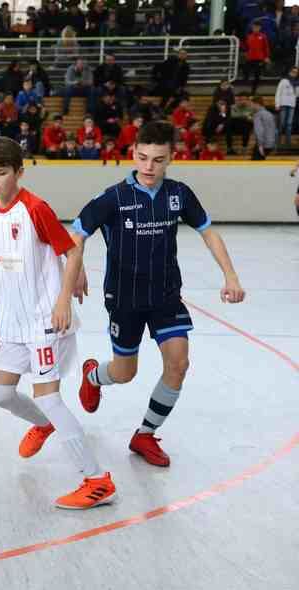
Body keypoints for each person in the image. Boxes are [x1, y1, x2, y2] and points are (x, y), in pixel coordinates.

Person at [72, 121, 246, 467]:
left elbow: (208, 232)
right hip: (125, 298)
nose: (149, 167)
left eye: (158, 159)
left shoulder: (179, 194)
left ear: (171, 158)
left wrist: (231, 276)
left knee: (178, 363)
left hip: (166, 295)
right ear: (133, 153)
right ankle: (93, 375)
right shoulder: (113, 198)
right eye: (142, 157)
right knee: (125, 373)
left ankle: (145, 434)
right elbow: (76, 235)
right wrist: (76, 271)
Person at [0, 137, 116, 510]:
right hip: (11, 320)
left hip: (44, 321)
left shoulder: (35, 208)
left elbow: (71, 250)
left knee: (49, 397)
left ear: (18, 173)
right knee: (1, 394)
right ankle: (45, 423)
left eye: (1, 173)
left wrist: (62, 300)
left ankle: (97, 480)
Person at [243, 21, 272, 96]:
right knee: (245, 70)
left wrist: (267, 57)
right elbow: (246, 47)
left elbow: (266, 47)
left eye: (257, 27)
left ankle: (253, 91)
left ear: (260, 28)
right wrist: (246, 53)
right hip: (250, 58)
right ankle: (246, 83)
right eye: (254, 27)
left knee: (257, 75)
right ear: (252, 28)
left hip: (259, 58)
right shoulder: (249, 36)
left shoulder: (263, 36)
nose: (255, 28)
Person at [275, 67, 297, 146]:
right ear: (289, 72)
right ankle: (278, 142)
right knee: (281, 124)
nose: (294, 74)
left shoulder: (296, 83)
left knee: (289, 124)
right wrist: (277, 104)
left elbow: (296, 95)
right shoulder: (283, 81)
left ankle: (288, 142)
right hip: (283, 104)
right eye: (293, 72)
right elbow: (278, 93)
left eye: (296, 72)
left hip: (292, 105)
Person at [251, 96, 277, 160]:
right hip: (271, 143)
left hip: (263, 144)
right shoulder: (270, 114)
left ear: (256, 104)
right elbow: (275, 130)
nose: (251, 107)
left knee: (255, 166)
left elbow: (259, 131)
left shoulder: (257, 115)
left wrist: (260, 145)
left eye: (251, 104)